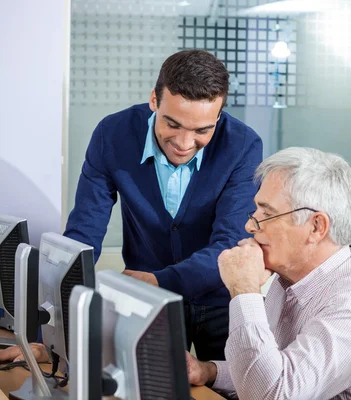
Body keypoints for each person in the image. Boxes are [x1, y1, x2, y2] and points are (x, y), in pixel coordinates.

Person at [64, 49, 263, 360]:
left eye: (202, 130)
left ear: (219, 115)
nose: (184, 143)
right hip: (145, 300)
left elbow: (230, 244)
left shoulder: (242, 145)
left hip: (221, 300)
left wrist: (160, 279)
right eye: (172, 124)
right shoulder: (112, 135)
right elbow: (83, 233)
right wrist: (58, 320)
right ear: (154, 101)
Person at [186, 147, 351, 399]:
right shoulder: (287, 278)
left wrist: (244, 290)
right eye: (256, 211)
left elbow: (274, 393)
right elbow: (268, 371)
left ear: (316, 227)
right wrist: (208, 371)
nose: (249, 225)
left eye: (267, 214)